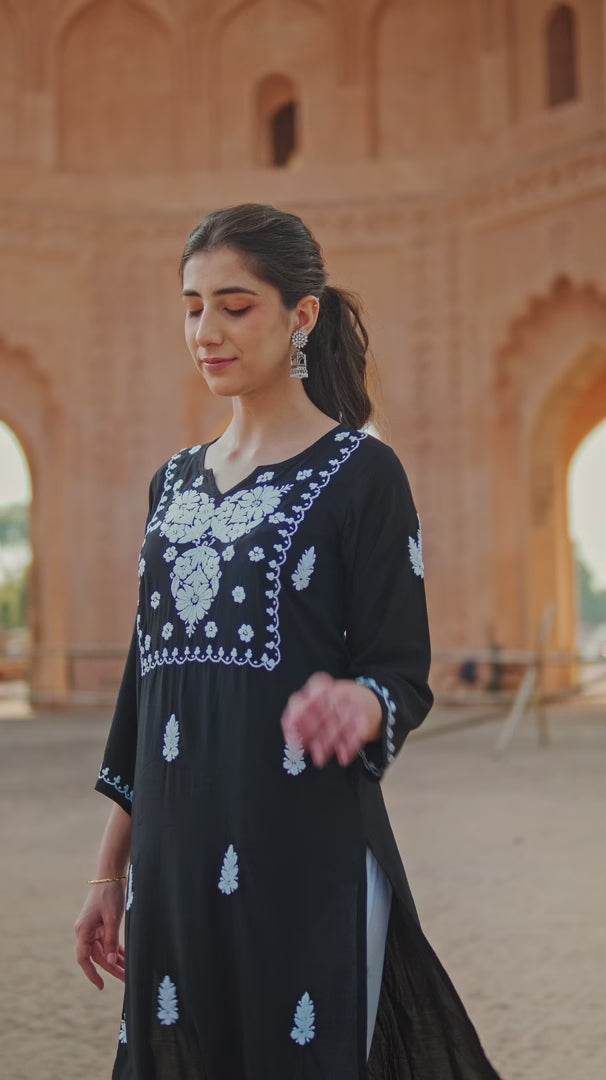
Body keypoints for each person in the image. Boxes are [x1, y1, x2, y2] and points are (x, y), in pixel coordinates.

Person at [75, 203, 502, 1079]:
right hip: (176, 865)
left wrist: (360, 700)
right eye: (193, 306)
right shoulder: (174, 482)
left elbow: (401, 671)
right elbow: (147, 681)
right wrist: (107, 873)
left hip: (303, 850)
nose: (206, 331)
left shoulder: (361, 474)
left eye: (236, 305)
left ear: (300, 315)